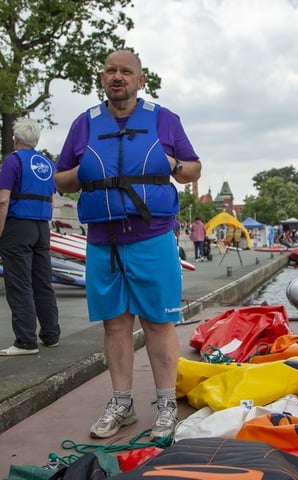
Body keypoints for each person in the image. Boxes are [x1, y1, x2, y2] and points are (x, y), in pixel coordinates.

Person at [54, 49, 201, 440]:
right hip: (104, 239)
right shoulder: (84, 124)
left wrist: (171, 165)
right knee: (115, 324)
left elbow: (194, 169)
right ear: (102, 78)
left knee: (158, 322)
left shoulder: (164, 120)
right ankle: (122, 403)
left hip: (151, 236)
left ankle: (167, 404)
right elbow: (61, 179)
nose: (117, 77)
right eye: (110, 71)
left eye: (125, 71)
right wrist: (78, 173)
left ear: (140, 80)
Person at [0, 117, 60, 356]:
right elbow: (52, 198)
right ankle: (51, 333)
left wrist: (0, 233)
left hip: (18, 224)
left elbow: (3, 199)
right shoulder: (47, 163)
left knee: (19, 283)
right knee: (42, 281)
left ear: (15, 139)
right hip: (41, 226)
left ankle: (25, 339)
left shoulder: (14, 161)